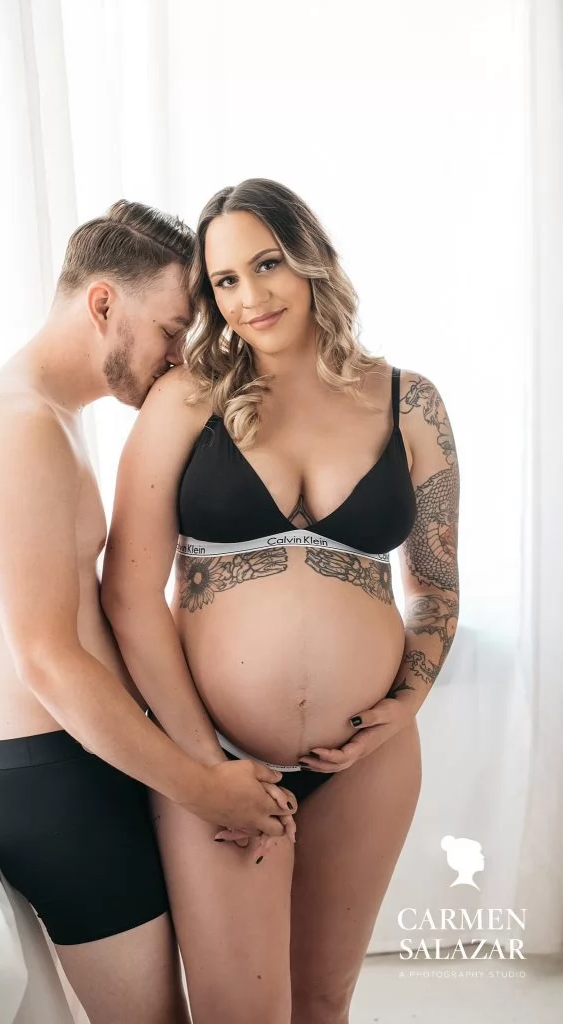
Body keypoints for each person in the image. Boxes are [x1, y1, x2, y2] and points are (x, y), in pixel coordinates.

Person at [103, 178, 460, 1024]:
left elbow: (437, 585)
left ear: (311, 261)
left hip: (367, 762)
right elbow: (126, 593)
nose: (250, 297)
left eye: (266, 265)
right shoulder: (188, 398)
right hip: (218, 751)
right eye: (224, 281)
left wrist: (409, 702)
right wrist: (203, 768)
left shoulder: (411, 403)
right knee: (239, 1014)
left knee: (325, 1003)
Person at [0, 200, 295, 1024]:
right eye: (174, 329)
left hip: (84, 767)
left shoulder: (52, 418)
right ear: (103, 304)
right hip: (54, 783)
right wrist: (205, 788)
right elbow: (47, 659)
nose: (181, 358)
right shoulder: (19, 426)